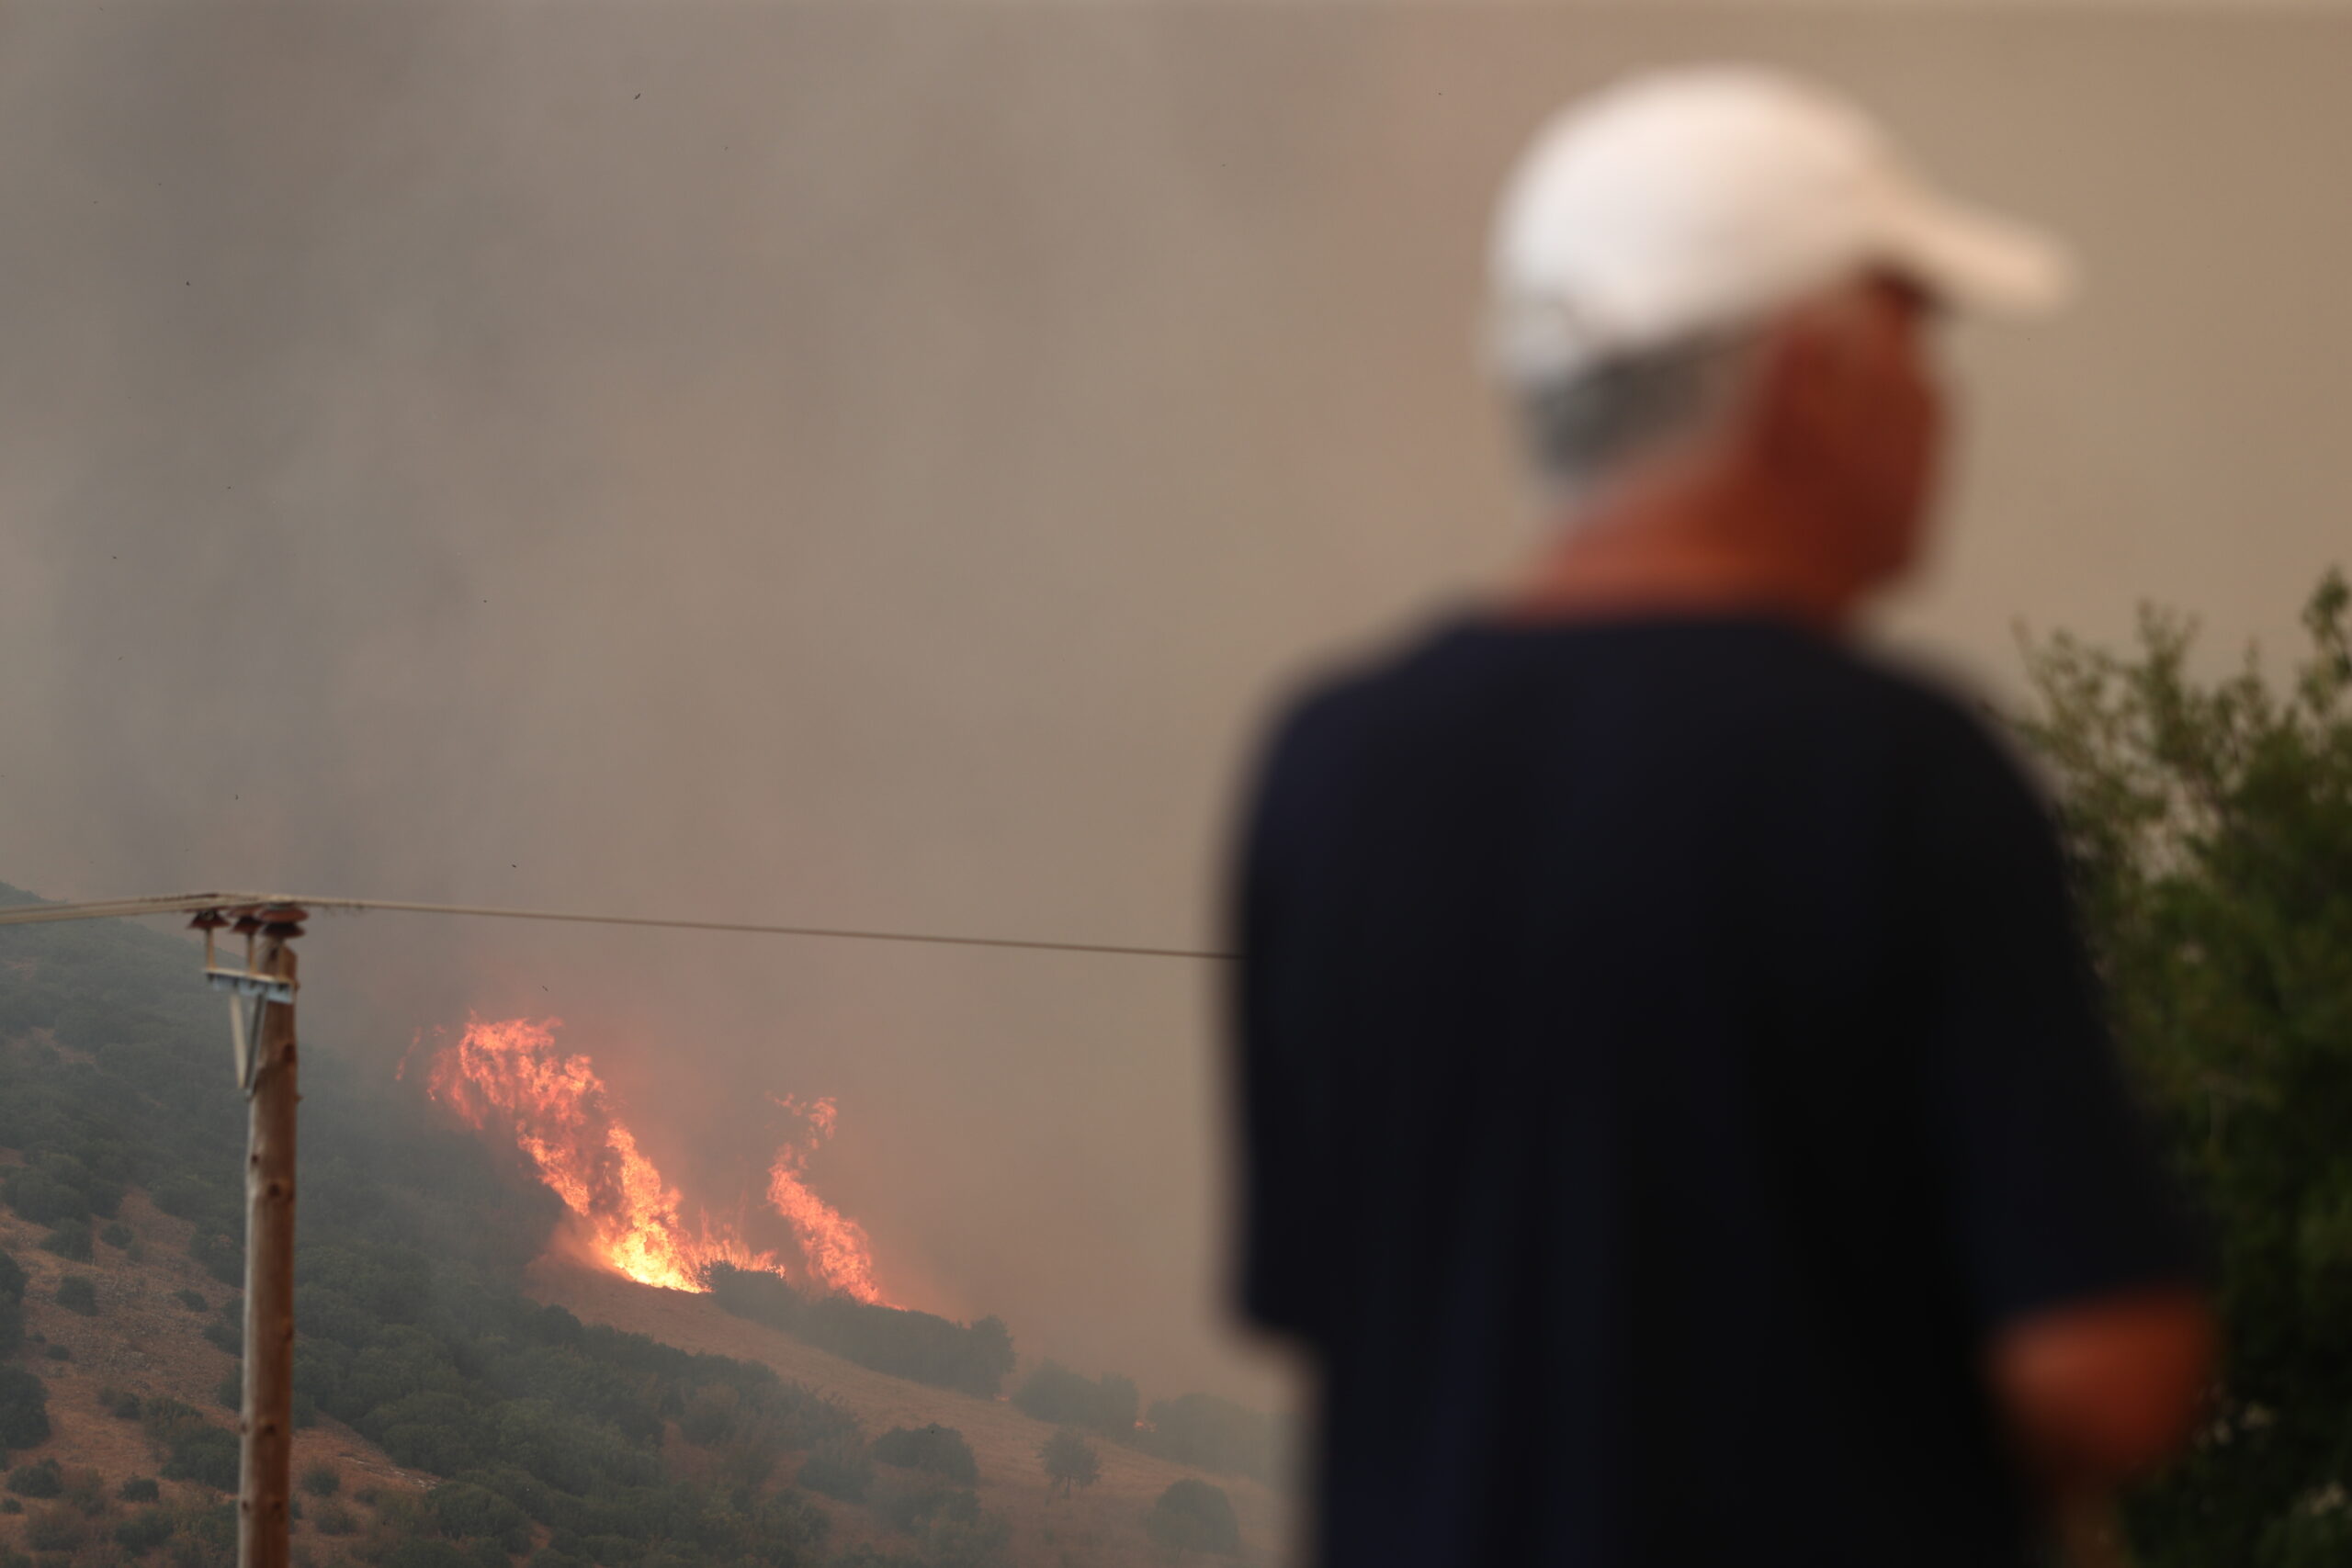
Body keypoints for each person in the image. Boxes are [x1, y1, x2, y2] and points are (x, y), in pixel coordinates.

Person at [1228, 65, 2214, 1568]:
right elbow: (2111, 1371)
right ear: (1810, 383)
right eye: (1916, 340)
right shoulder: (1901, 779)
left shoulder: (1328, 771)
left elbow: (1330, 1311)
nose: (1942, 402)